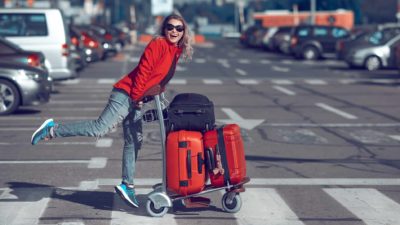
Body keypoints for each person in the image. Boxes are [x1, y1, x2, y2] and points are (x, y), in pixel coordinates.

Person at [30, 14, 193, 208]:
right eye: (170, 27)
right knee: (99, 128)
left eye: (178, 28)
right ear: (164, 29)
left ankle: (127, 185)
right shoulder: (158, 44)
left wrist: (151, 96)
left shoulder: (175, 50)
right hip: (126, 94)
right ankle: (52, 129)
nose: (174, 31)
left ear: (184, 32)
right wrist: (137, 97)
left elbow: (159, 79)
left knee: (134, 142)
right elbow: (143, 71)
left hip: (137, 97)